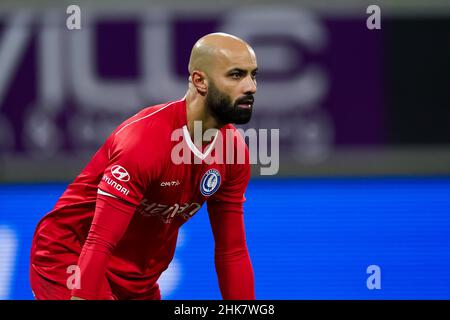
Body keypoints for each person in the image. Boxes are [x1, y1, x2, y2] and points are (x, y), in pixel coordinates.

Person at [29, 32, 258, 300]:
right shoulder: (144, 141)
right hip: (71, 256)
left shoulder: (233, 153)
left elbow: (232, 251)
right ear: (199, 81)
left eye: (253, 75)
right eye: (236, 75)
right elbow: (100, 240)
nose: (251, 86)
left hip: (136, 277)